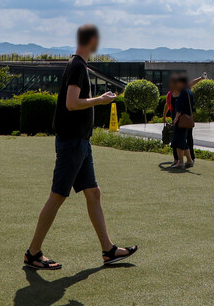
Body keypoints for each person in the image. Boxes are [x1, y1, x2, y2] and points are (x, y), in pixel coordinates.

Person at [24, 24, 138, 271]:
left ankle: (108, 250)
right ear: (93, 41)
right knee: (57, 196)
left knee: (93, 193)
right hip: (72, 143)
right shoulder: (77, 66)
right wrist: (101, 100)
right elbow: (72, 104)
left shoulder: (77, 64)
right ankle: (33, 253)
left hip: (80, 143)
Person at [165, 72, 207, 169]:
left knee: (179, 140)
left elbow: (179, 106)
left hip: (181, 120)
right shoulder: (187, 91)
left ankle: (181, 161)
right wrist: (201, 78)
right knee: (183, 141)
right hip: (187, 119)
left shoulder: (182, 92)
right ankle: (189, 160)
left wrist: (175, 118)